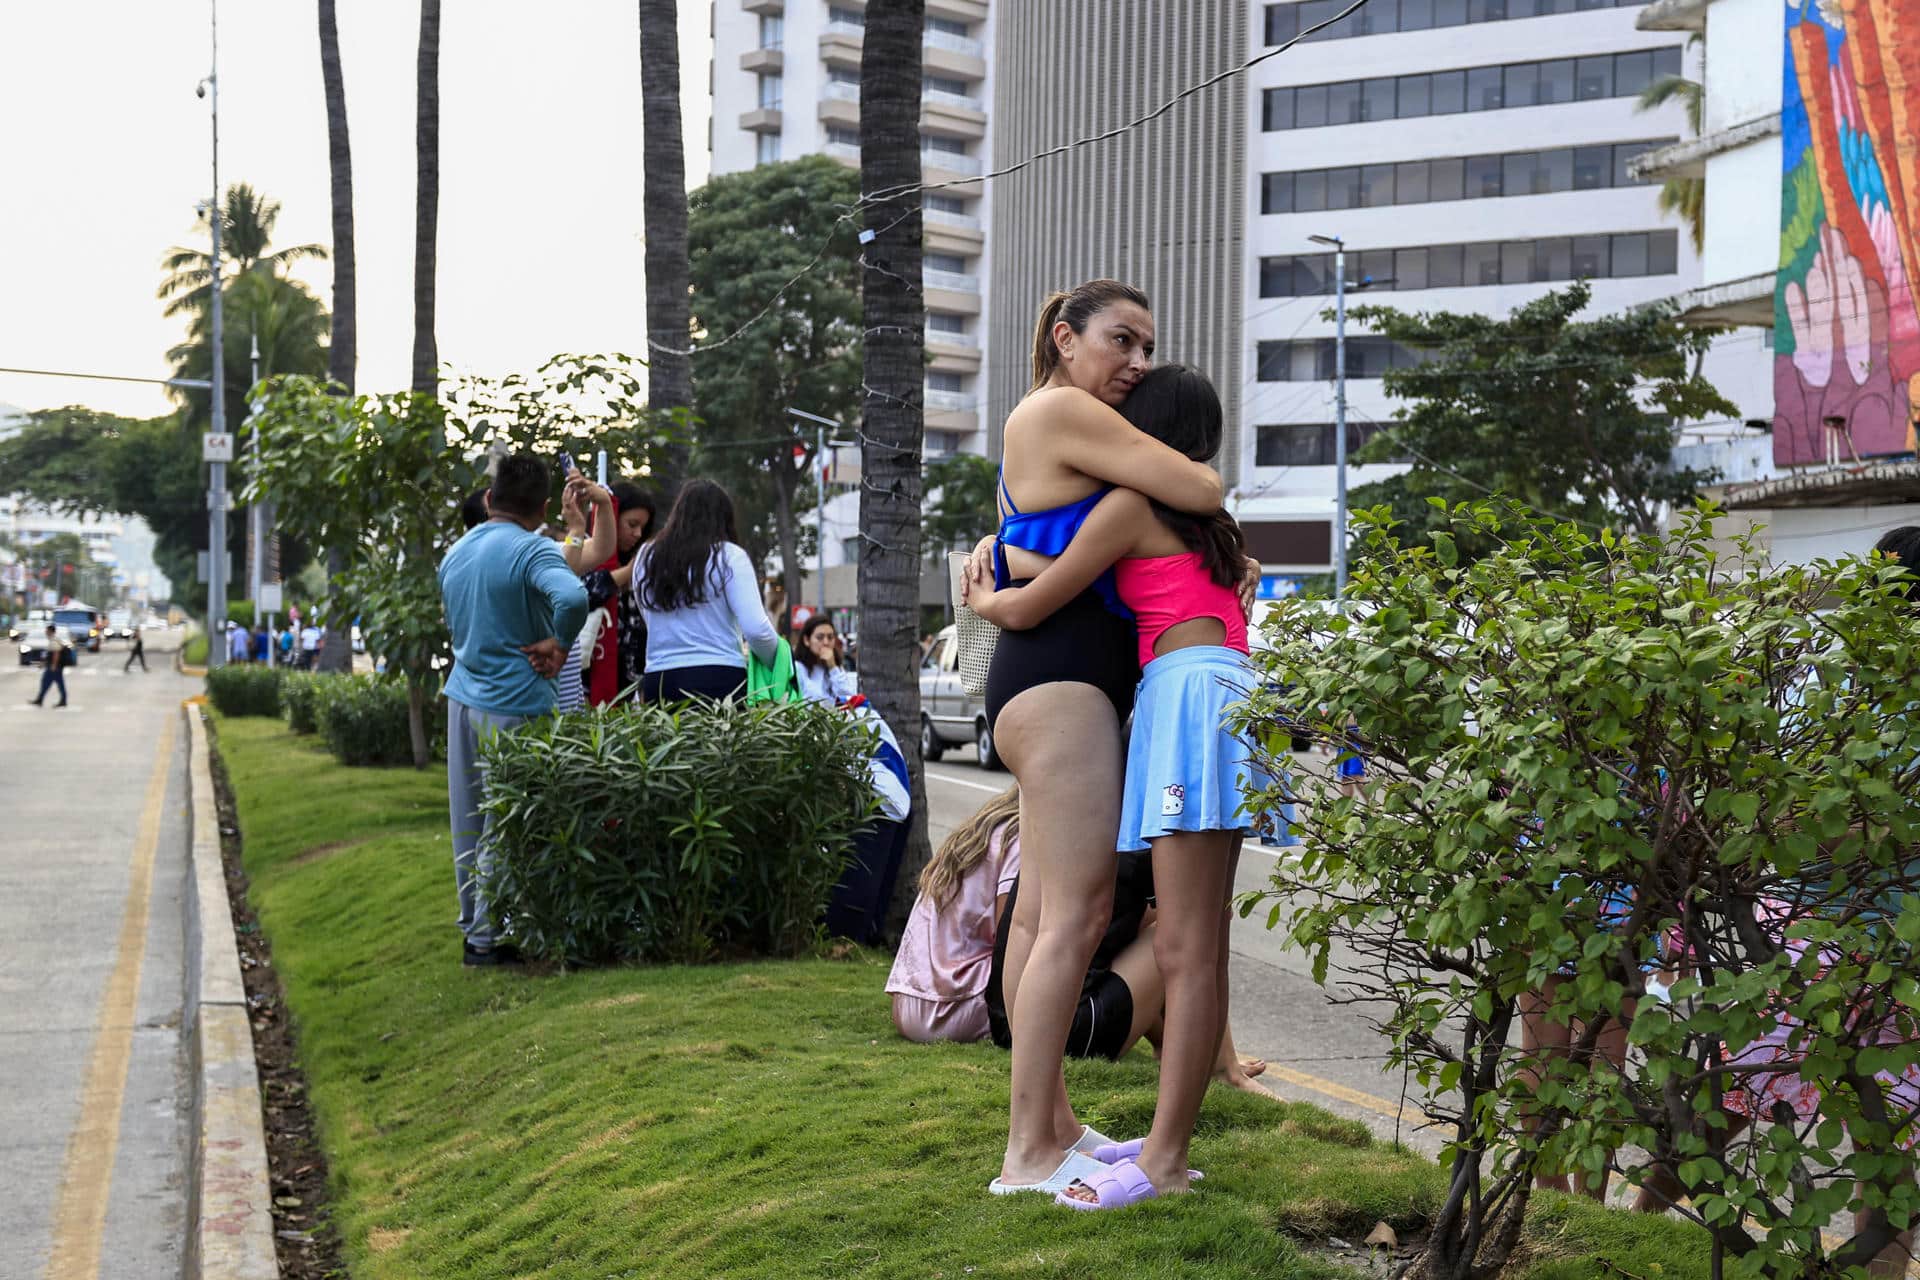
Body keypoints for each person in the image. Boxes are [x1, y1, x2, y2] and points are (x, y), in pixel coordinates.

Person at [956, 281, 1230, 1199]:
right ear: (1066, 340)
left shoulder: (1055, 425)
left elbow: (1064, 549)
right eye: (1123, 339)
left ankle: (1052, 1123)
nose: (1138, 361)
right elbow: (1198, 483)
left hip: (1048, 673)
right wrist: (1001, 589)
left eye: (1148, 345)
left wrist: (1008, 569)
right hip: (1062, 681)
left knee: (1043, 916)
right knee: (1070, 917)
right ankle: (1028, 1149)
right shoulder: (1064, 405)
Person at [888, 784, 1276, 1094]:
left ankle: (1179, 1048)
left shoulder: (993, 821)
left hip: (911, 1000)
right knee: (1180, 933)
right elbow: (1016, 929)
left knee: (1134, 933)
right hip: (961, 1006)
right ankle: (1214, 1062)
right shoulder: (1031, 836)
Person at [437, 452, 589, 967]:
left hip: (462, 698)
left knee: (469, 823)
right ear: (543, 506)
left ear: (488, 499)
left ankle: (473, 929)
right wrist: (559, 645)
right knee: (508, 824)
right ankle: (488, 938)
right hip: (517, 704)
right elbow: (572, 597)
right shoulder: (533, 550)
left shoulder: (456, 552)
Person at [629, 479, 780, 703]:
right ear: (725, 519)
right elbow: (757, 630)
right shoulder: (730, 556)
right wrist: (779, 662)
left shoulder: (646, 556)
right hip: (719, 678)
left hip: (660, 679)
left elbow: (648, 614)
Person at [793, 614, 857, 706]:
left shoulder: (836, 669)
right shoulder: (798, 668)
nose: (826, 642)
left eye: (830, 637)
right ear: (807, 640)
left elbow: (850, 700)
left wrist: (833, 667)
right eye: (820, 638)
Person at [29, 625, 69, 707]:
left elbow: (56, 654)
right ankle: (40, 699)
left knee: (50, 683)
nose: (45, 632)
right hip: (54, 666)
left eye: (47, 630)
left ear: (51, 631)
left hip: (54, 667)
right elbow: (49, 655)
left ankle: (42, 700)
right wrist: (43, 664)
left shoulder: (54, 640)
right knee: (48, 683)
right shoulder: (54, 640)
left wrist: (53, 665)